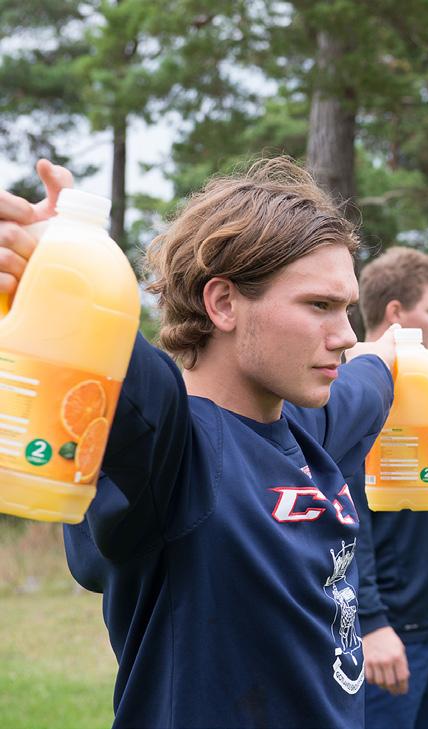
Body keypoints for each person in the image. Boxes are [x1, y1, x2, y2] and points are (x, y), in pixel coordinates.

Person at [0, 158, 398, 729]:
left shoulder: (309, 432)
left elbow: (372, 379)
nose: (344, 336)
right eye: (318, 306)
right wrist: (51, 268)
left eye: (347, 308)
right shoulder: (176, 453)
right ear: (224, 303)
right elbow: (120, 368)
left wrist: (397, 357)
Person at [350, 247, 428, 729]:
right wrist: (372, 622)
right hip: (385, 639)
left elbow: (417, 517)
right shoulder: (357, 393)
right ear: (397, 312)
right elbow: (349, 519)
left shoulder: (420, 390)